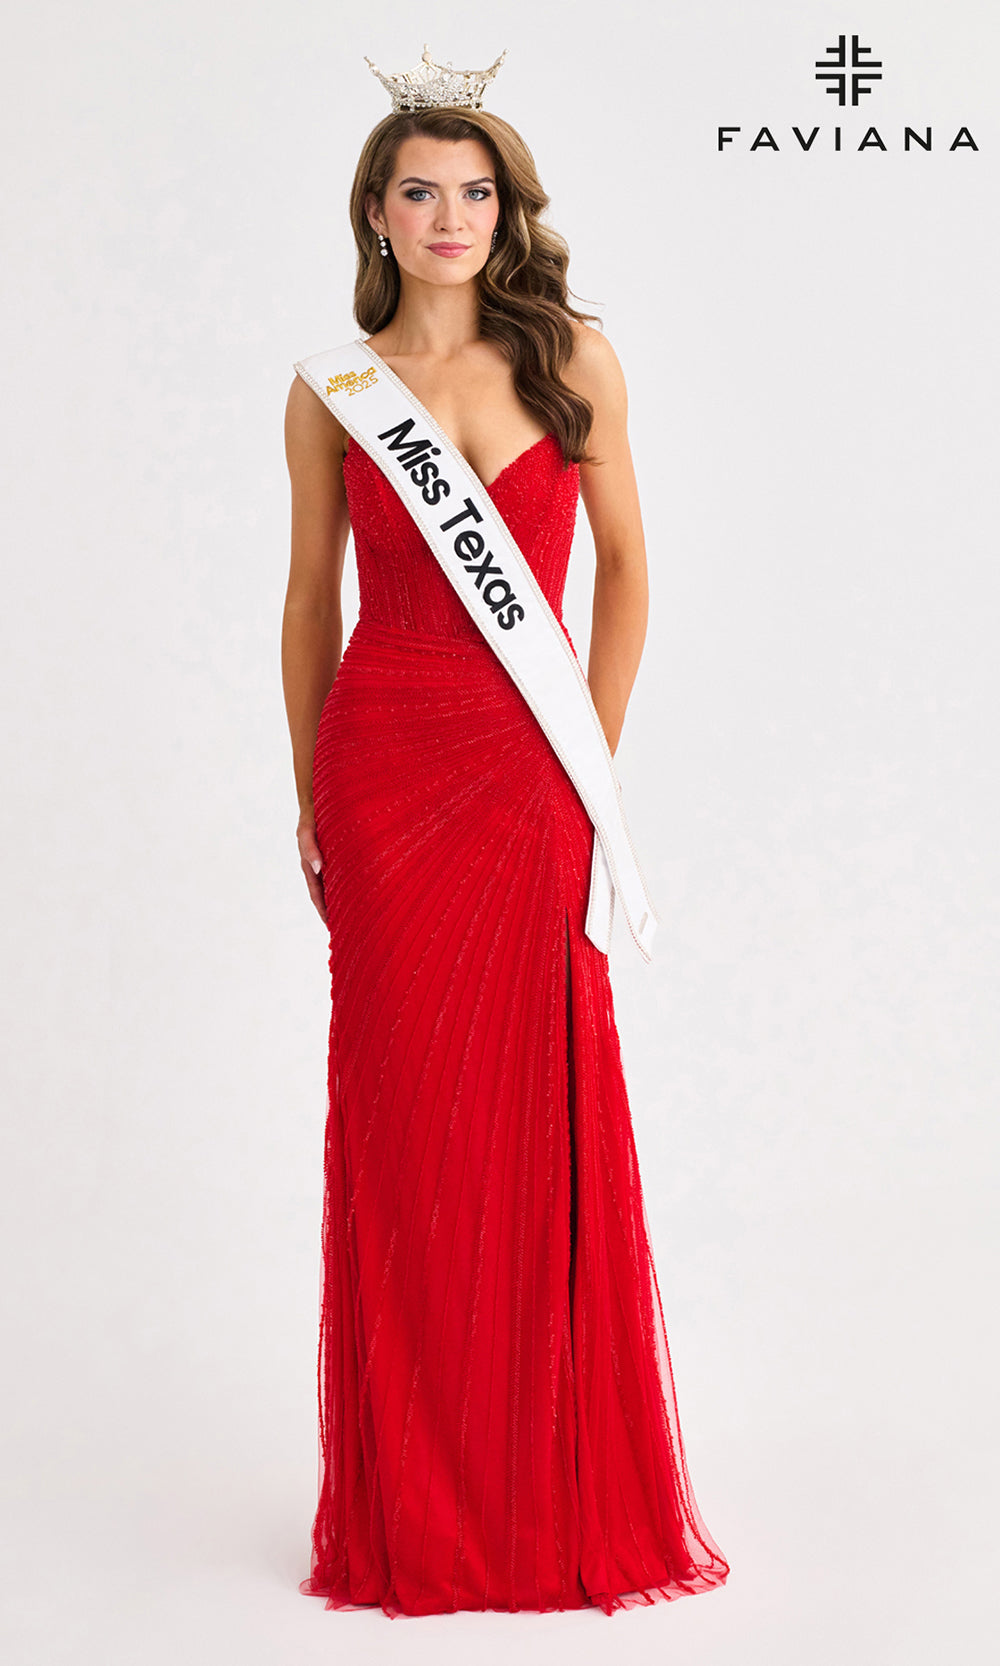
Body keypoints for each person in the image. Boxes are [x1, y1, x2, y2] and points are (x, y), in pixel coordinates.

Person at [281, 51, 729, 1619]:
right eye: (422, 190)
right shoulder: (333, 392)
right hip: (387, 768)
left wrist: (586, 763)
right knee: (405, 1120)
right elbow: (308, 602)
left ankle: (545, 1482)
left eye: (476, 190)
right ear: (380, 216)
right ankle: (419, 1492)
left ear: (505, 210)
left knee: (542, 1092)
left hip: (533, 767)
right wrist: (305, 787)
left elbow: (628, 574)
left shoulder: (576, 362)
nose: (452, 214)